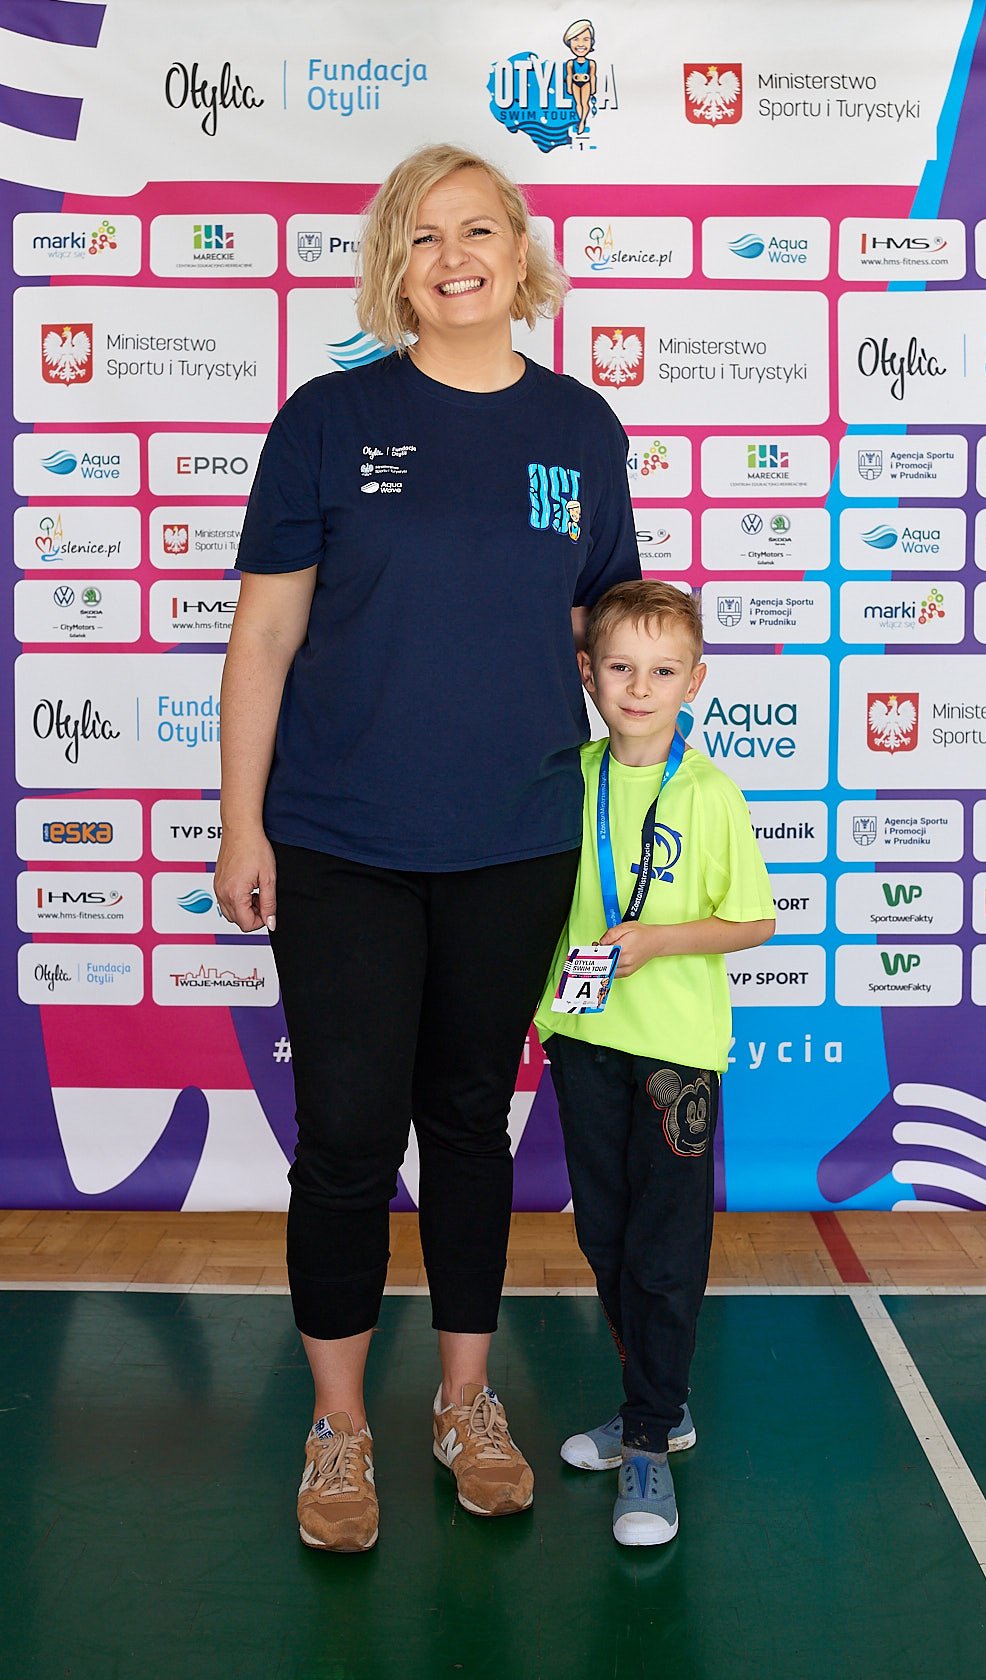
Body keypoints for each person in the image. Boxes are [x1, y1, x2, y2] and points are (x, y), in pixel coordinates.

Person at [214, 143, 641, 1553]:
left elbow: (600, 629)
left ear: (520, 250)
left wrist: (658, 790)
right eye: (421, 237)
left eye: (476, 231)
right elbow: (265, 639)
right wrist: (241, 822)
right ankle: (339, 1425)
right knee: (345, 1137)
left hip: (514, 838)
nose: (452, 258)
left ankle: (467, 1402)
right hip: (341, 841)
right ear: (393, 271)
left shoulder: (580, 427)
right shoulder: (329, 419)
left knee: (467, 1121)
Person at [535, 581, 775, 1546]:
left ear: (695, 681)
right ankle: (656, 1407)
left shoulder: (709, 794)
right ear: (588, 673)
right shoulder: (567, 777)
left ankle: (647, 1442)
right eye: (621, 668)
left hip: (676, 1054)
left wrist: (661, 942)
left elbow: (753, 921)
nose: (640, 688)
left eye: (663, 671)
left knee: (666, 1254)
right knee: (606, 1239)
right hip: (583, 1038)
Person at [563, 18, 597, 136]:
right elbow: (569, 76)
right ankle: (580, 119)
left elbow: (593, 76)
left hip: (586, 84)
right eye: (576, 39)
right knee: (578, 103)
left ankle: (582, 121)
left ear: (591, 42)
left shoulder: (591, 63)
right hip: (575, 84)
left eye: (586, 39)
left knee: (585, 103)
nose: (581, 44)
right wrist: (569, 87)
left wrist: (593, 88)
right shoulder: (570, 63)